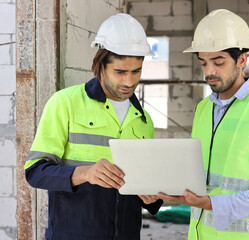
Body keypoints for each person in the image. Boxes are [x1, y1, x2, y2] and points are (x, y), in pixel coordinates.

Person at [157, 9, 249, 240]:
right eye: (203, 63)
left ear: (242, 60)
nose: (209, 72)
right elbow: (200, 177)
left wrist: (211, 203)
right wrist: (161, 191)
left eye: (218, 62)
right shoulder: (203, 109)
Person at [24, 13, 162, 240]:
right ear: (100, 66)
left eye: (136, 71)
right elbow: (36, 172)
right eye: (120, 72)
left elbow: (143, 189)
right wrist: (85, 173)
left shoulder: (143, 120)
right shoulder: (65, 103)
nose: (129, 81)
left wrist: (153, 197)